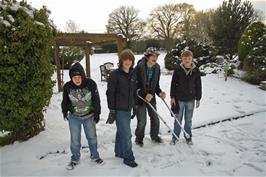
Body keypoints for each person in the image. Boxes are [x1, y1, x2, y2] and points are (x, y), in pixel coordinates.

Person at [61, 62, 103, 170]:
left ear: (83, 76)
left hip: (89, 116)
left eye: (79, 77)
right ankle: (75, 158)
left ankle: (95, 156)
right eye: (74, 77)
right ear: (71, 77)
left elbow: (96, 100)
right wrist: (64, 111)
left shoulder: (91, 84)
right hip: (74, 118)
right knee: (75, 140)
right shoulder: (67, 86)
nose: (77, 79)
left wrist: (97, 113)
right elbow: (65, 100)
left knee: (92, 137)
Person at [106, 49, 138, 168]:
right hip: (119, 109)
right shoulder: (115, 75)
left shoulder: (133, 73)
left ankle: (119, 152)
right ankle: (128, 157)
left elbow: (134, 91)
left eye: (130, 59)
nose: (127, 61)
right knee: (126, 134)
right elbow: (110, 93)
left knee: (121, 131)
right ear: (121, 61)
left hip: (128, 107)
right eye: (125, 59)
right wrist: (112, 110)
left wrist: (134, 106)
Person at [134, 47, 166, 147]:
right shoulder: (139, 67)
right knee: (142, 121)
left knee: (155, 118)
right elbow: (135, 85)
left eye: (156, 56)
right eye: (152, 56)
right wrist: (144, 95)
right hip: (140, 98)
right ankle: (139, 139)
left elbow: (155, 85)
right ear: (147, 57)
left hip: (151, 97)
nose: (155, 58)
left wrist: (160, 92)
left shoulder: (157, 68)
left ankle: (154, 136)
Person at [170, 50, 202, 145]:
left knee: (188, 120)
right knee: (178, 119)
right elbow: (173, 84)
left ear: (192, 59)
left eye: (189, 58)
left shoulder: (196, 70)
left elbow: (198, 85)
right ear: (182, 59)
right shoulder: (178, 69)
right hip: (179, 99)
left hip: (190, 99)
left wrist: (198, 98)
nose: (187, 60)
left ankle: (188, 137)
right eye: (185, 58)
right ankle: (175, 137)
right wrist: (172, 97)